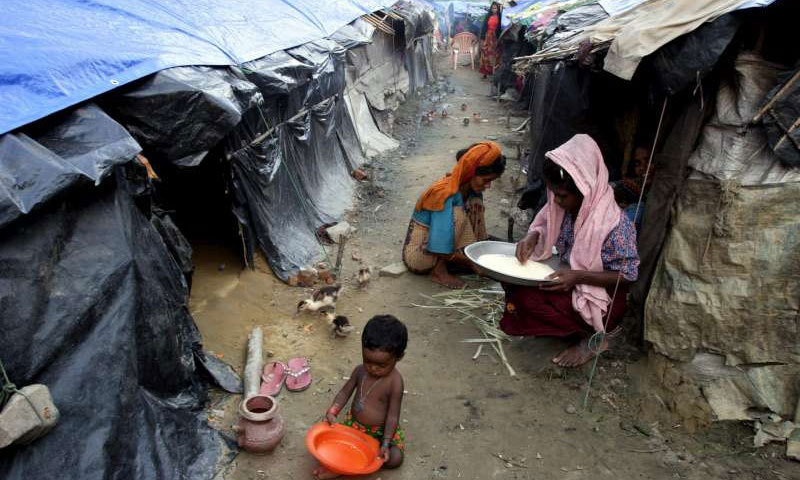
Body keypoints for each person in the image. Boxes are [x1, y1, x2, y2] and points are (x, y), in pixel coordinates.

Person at [502, 134, 639, 368]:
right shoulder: (564, 205)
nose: (555, 202)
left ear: (585, 189)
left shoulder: (614, 224)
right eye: (553, 194)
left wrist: (578, 277)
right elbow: (544, 223)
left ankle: (597, 338)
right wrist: (532, 236)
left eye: (562, 196)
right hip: (573, 281)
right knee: (515, 284)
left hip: (603, 299)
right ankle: (561, 326)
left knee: (529, 299)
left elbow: (627, 276)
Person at [314, 315, 408, 479]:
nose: (373, 368)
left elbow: (393, 416)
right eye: (367, 361)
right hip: (355, 427)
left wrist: (385, 443)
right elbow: (344, 392)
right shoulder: (360, 371)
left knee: (395, 458)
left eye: (381, 365)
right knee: (335, 441)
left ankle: (350, 465)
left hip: (380, 433)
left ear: (398, 357)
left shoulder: (395, 382)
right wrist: (334, 410)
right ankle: (348, 464)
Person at [402, 142, 506, 289]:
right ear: (470, 172)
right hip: (421, 256)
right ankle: (439, 271)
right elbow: (438, 245)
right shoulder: (444, 194)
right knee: (457, 214)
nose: (488, 186)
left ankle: (471, 253)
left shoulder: (472, 191)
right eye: (486, 180)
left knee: (475, 202)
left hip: (445, 248)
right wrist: (471, 262)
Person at [479, 2, 502, 78]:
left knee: (495, 55)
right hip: (488, 37)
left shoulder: (500, 17)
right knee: (485, 54)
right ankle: (485, 73)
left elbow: (500, 29)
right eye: (492, 8)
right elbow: (484, 27)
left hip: (495, 38)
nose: (494, 10)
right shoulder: (488, 16)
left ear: (498, 9)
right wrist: (483, 38)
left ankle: (494, 73)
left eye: (495, 8)